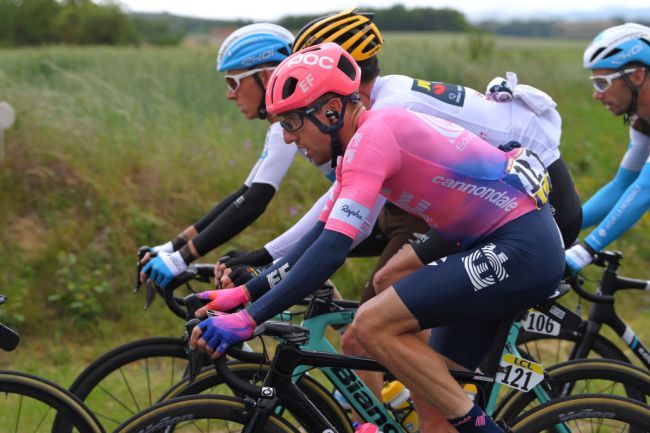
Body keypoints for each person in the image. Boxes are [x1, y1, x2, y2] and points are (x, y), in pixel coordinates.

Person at [190, 42, 565, 433]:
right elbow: (321, 234)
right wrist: (246, 294)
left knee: (372, 324)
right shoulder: (360, 144)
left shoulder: (375, 137)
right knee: (435, 409)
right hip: (494, 244)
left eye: (290, 123)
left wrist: (250, 320)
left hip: (520, 247)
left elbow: (333, 251)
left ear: (331, 112)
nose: (287, 138)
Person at [139, 23, 360, 287]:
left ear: (266, 77)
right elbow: (245, 193)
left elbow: (257, 199)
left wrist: (181, 258)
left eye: (233, 82)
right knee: (303, 272)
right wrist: (172, 247)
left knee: (374, 300)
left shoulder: (295, 122)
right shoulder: (284, 127)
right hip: (364, 210)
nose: (230, 95)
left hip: (385, 212)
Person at [565, 23, 650, 274]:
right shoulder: (642, 121)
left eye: (602, 83)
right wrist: (560, 230)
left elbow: (645, 189)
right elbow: (621, 185)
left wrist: (584, 251)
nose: (596, 94)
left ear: (636, 76)